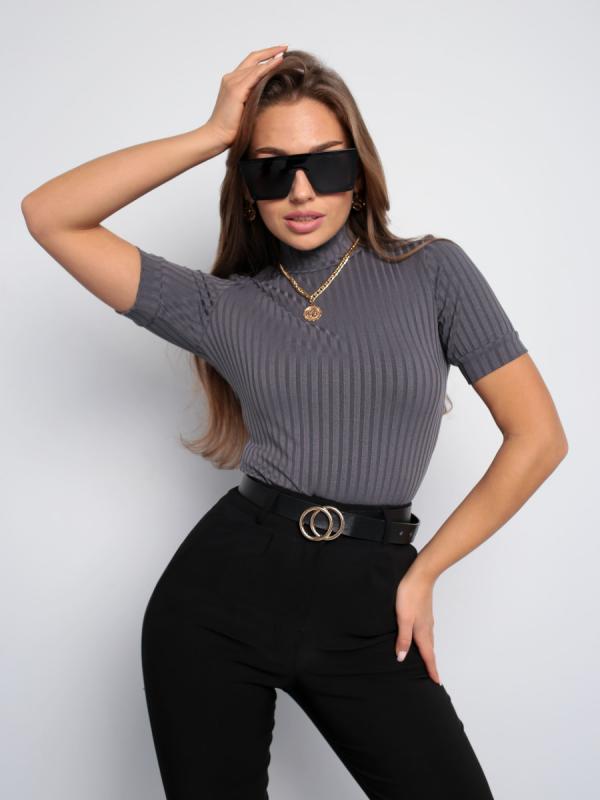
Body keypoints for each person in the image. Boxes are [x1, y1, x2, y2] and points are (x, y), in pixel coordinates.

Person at [21, 45, 568, 800]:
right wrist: (213, 134)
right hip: (221, 598)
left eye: (326, 164)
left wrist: (425, 571)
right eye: (272, 169)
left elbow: (539, 438)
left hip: (372, 598)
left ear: (359, 174)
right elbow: (50, 215)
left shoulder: (433, 271)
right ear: (247, 187)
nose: (301, 190)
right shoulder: (221, 306)